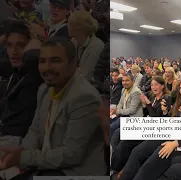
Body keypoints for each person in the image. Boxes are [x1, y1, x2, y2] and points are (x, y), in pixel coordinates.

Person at [0, 37, 106, 178]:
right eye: (42, 61)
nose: (47, 67)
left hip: (74, 172)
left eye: (55, 61)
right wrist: (20, 154)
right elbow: (35, 131)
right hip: (48, 164)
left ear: (73, 64)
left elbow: (71, 155)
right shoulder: (44, 89)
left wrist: (24, 158)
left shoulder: (84, 97)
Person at [119, 78, 181, 180]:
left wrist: (175, 143)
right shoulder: (178, 105)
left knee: (152, 162)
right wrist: (165, 113)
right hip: (169, 136)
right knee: (138, 151)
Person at [0, 21, 43, 138]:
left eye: (21, 45)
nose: (14, 51)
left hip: (17, 141)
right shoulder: (13, 69)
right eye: (9, 45)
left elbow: (32, 57)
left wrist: (37, 37)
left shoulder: (35, 74)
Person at [68, 10, 104, 79]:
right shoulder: (74, 40)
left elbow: (86, 76)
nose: (67, 26)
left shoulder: (96, 47)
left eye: (70, 24)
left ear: (78, 29)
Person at [110, 73, 143, 137]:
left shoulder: (136, 92)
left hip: (132, 118)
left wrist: (117, 111)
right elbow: (121, 103)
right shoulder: (124, 89)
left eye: (127, 80)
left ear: (133, 82)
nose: (124, 82)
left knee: (111, 128)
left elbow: (132, 110)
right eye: (123, 81)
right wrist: (116, 111)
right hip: (124, 115)